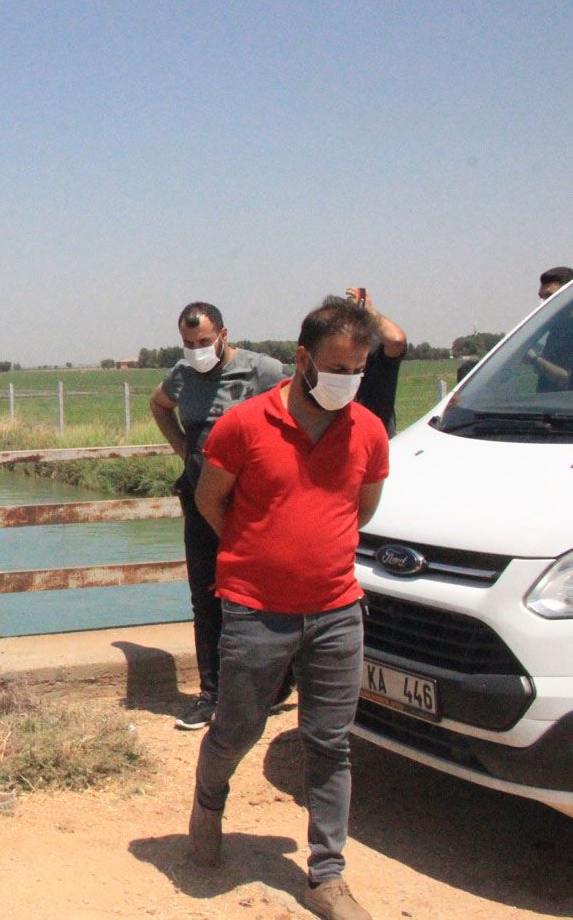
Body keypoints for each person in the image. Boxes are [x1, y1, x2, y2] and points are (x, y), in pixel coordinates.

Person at [187, 297, 389, 920]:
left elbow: (363, 508)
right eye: (336, 367)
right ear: (302, 359)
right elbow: (209, 501)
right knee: (238, 728)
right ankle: (208, 799)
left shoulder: (369, 430)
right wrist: (257, 555)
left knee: (329, 742)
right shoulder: (243, 425)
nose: (347, 381)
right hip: (254, 611)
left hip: (336, 610)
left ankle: (326, 875)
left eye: (357, 369)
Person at [149, 302, 286, 730]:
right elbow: (159, 406)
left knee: (259, 593)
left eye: (204, 342)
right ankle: (211, 695)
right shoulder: (181, 375)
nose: (196, 350)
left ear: (224, 334)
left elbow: (297, 407)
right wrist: (185, 451)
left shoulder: (261, 370)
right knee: (205, 597)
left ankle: (278, 679)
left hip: (249, 503)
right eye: (188, 344)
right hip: (197, 499)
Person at [344, 288, 408, 436]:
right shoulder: (332, 359)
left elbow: (396, 340)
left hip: (375, 442)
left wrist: (368, 311)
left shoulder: (379, 356)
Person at [528, 266, 573, 392]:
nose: (543, 302)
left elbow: (566, 380)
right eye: (541, 297)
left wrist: (533, 358)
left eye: (549, 296)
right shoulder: (554, 330)